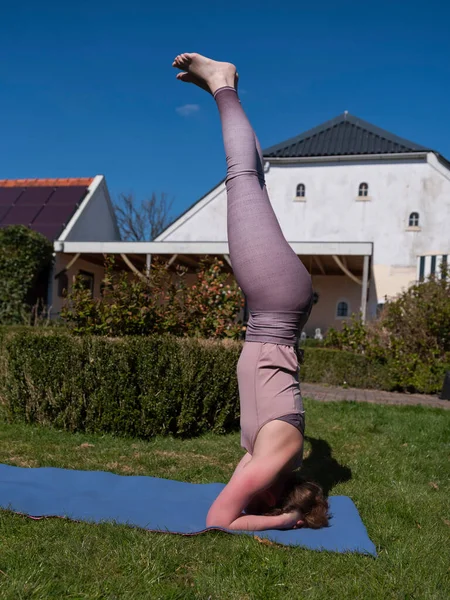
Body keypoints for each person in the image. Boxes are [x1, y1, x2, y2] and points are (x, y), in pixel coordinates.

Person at [173, 53, 329, 531]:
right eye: (258, 504)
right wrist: (283, 522)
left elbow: (239, 489)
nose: (243, 491)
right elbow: (220, 520)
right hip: (276, 302)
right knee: (241, 176)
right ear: (274, 495)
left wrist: (277, 505)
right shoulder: (272, 459)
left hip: (277, 305)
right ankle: (224, 83)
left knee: (251, 179)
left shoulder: (263, 457)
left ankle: (223, 90)